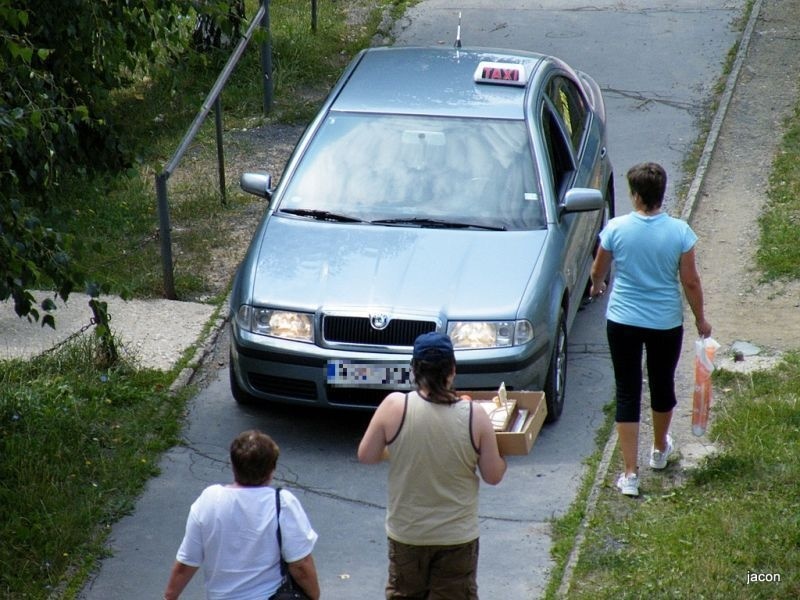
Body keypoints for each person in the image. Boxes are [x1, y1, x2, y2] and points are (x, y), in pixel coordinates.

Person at [590, 162, 712, 497]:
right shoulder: (679, 232)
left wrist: (596, 287)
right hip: (665, 321)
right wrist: (701, 318)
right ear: (660, 195)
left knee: (627, 391)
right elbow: (690, 280)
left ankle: (630, 473)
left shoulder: (615, 229)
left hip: (623, 320)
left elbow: (599, 270)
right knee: (661, 384)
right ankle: (659, 450)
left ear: (636, 195)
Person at [358, 331, 507, 599]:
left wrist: (398, 450)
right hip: (456, 538)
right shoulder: (475, 415)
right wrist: (502, 457)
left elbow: (367, 455)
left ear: (413, 370)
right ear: (452, 369)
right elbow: (493, 476)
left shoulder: (394, 406)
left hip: (407, 535)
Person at [163, 430, 320, 600]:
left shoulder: (209, 500)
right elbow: (301, 565)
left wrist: (169, 597)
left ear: (232, 464)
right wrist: (314, 596)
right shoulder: (281, 503)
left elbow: (186, 563)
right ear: (272, 468)